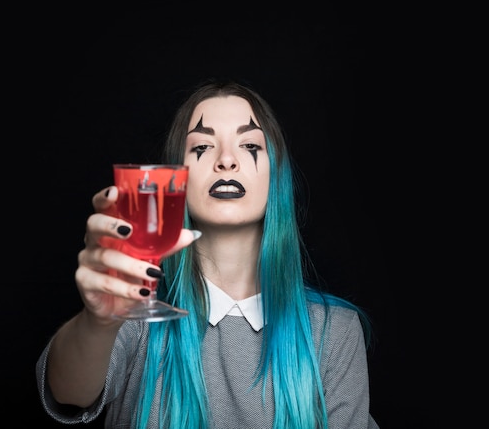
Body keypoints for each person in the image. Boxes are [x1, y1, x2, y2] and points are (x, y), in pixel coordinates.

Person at [36, 79, 379, 428]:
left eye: (249, 145)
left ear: (277, 177)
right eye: (201, 148)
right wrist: (99, 321)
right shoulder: (135, 313)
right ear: (175, 178)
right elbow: (69, 394)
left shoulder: (334, 331)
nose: (226, 161)